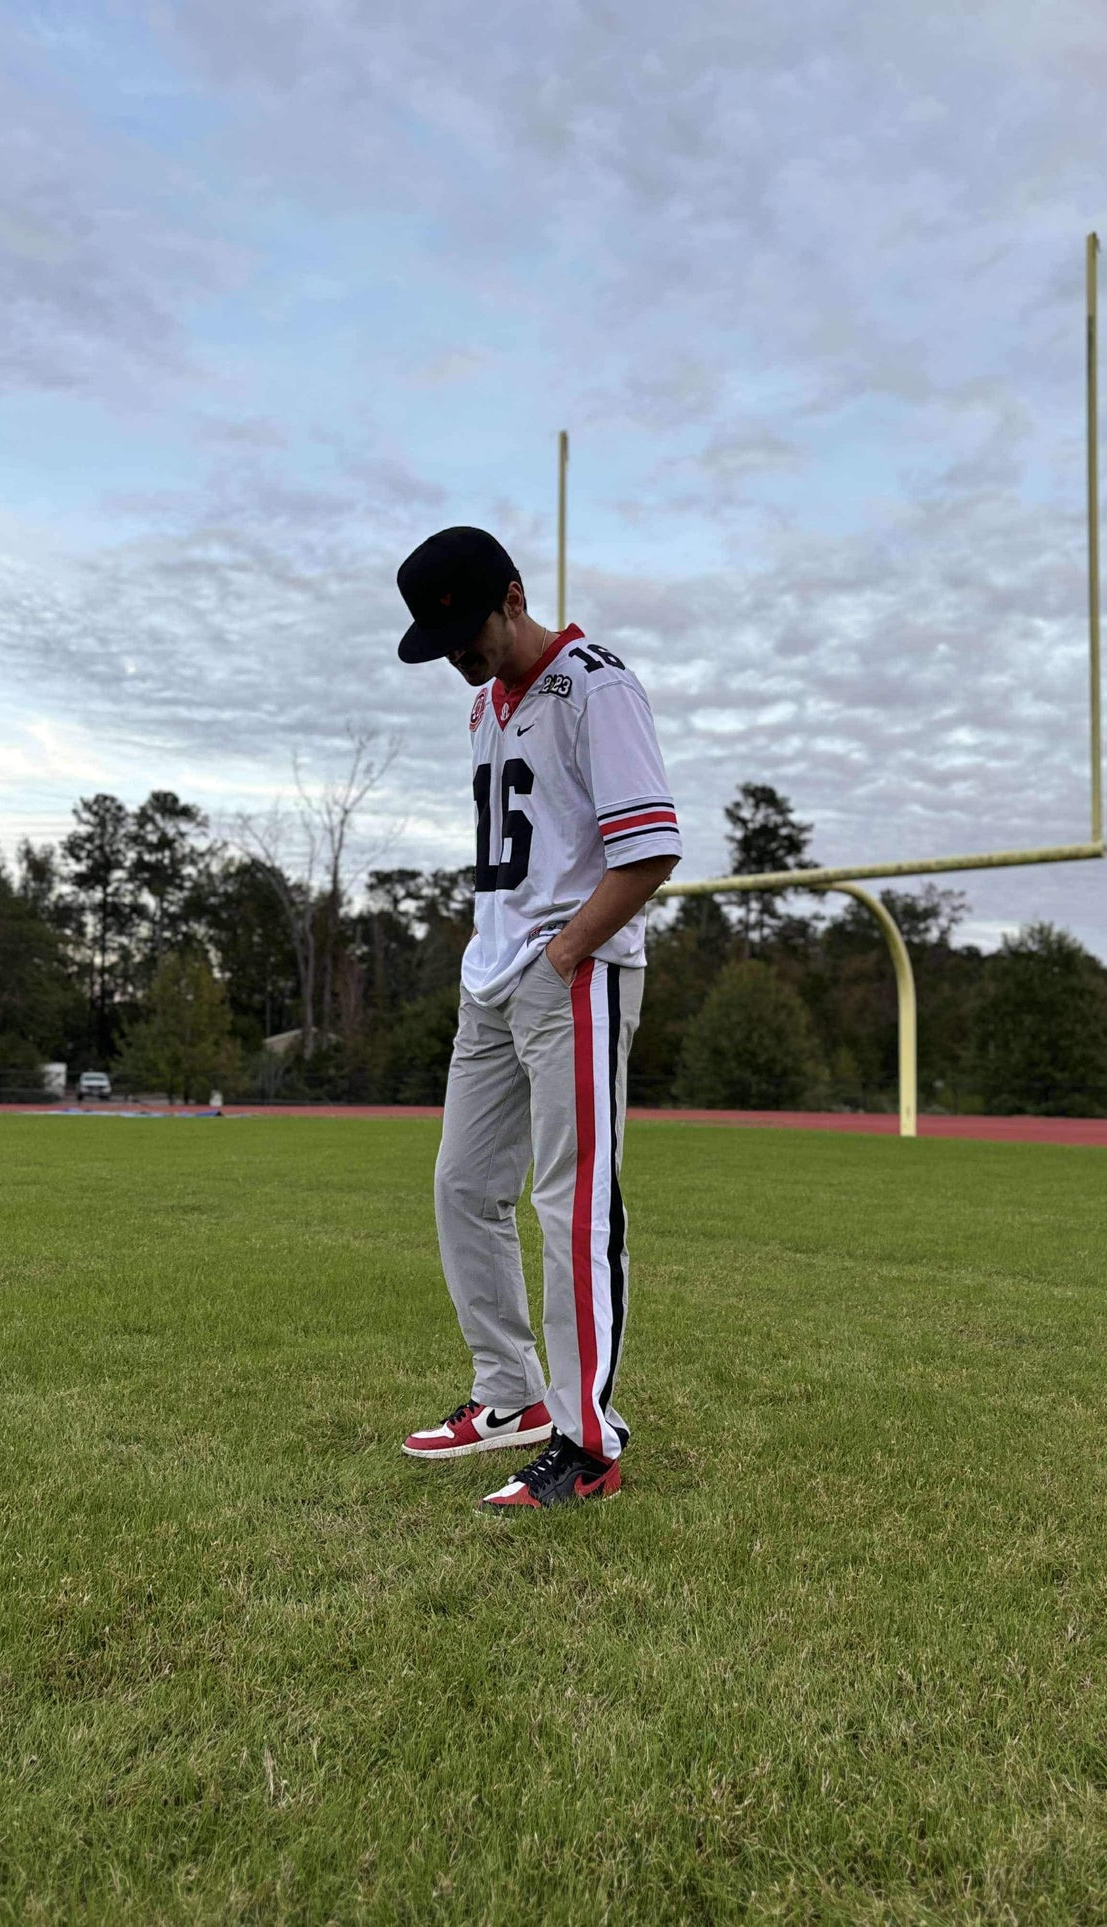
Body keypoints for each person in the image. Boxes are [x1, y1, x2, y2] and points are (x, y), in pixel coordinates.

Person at [395, 526, 681, 1509]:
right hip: (491, 978)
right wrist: (496, 951)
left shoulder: (595, 684)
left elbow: (648, 847)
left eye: (466, 638)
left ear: (512, 598)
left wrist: (565, 950)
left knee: (569, 1204)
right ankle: (508, 1393)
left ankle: (586, 1439)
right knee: (462, 1187)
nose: (460, 663)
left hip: (572, 971)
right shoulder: (484, 704)